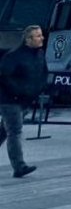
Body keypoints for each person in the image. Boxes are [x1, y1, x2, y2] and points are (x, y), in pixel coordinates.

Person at [0, 25, 46, 179]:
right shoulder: (14, 56)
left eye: (41, 35)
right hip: (10, 100)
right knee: (14, 131)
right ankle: (19, 166)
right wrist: (18, 92)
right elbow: (5, 77)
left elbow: (42, 73)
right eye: (38, 36)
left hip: (26, 99)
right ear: (28, 40)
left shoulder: (39, 54)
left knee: (3, 131)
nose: (42, 38)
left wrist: (41, 88)